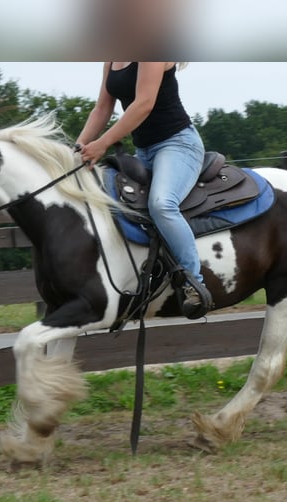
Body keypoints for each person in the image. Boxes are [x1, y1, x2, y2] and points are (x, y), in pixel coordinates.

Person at [76, 61, 211, 318]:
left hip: (177, 144)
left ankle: (194, 284)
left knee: (162, 204)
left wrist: (102, 143)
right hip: (143, 152)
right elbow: (102, 107)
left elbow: (143, 104)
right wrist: (80, 145)